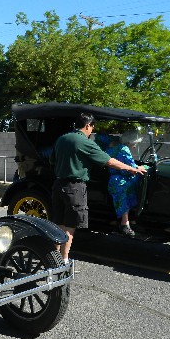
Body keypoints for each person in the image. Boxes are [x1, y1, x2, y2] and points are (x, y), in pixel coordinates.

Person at [50, 113, 147, 263]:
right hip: (74, 187)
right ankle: (63, 260)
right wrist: (132, 169)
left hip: (58, 185)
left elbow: (52, 160)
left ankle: (52, 258)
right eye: (92, 127)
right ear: (88, 125)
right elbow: (109, 161)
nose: (92, 131)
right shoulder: (84, 142)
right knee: (70, 225)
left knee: (58, 224)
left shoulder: (62, 139)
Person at [96, 130, 144, 237]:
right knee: (132, 186)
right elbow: (129, 168)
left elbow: (99, 136)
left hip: (112, 178)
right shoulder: (124, 149)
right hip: (119, 180)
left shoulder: (112, 146)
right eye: (134, 143)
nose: (135, 146)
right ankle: (125, 222)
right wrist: (141, 167)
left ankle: (128, 218)